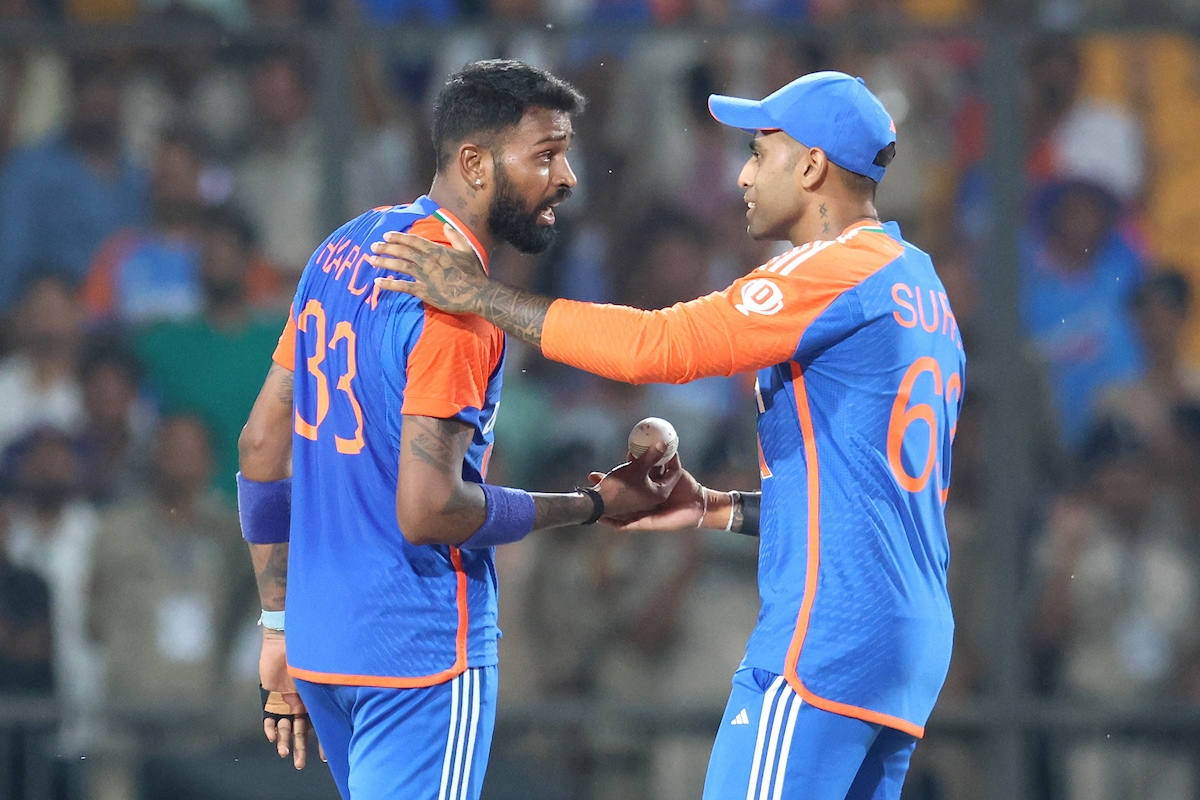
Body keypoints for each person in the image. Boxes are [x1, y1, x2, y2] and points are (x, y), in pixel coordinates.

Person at [370, 70, 966, 799]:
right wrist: (713, 507)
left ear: (811, 167)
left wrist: (480, 295)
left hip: (829, 634)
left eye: (759, 152)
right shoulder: (922, 284)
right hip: (908, 635)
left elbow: (661, 348)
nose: (743, 174)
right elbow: (870, 500)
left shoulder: (833, 271)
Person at [236, 60, 679, 800]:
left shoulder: (342, 249)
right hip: (417, 652)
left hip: (321, 646)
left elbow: (259, 444)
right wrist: (588, 506)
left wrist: (277, 623)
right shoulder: (459, 307)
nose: (567, 176)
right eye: (546, 153)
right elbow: (427, 509)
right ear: (474, 162)